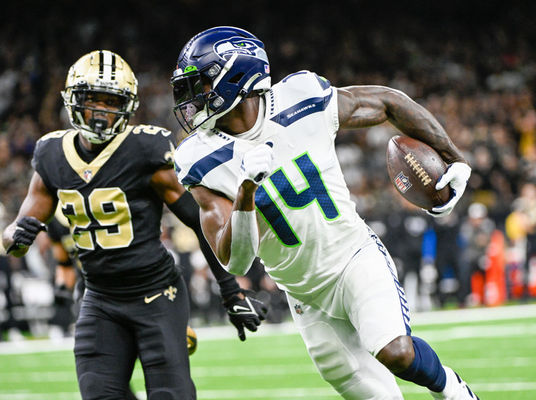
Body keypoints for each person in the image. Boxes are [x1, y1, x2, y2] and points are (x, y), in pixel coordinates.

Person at [170, 27, 477, 399]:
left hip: (353, 257)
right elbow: (234, 259)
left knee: (395, 351)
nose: (190, 98)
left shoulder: (301, 98)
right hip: (303, 294)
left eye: (199, 84)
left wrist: (454, 158)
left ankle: (453, 389)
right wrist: (247, 189)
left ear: (235, 75)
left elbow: (388, 102)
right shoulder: (197, 158)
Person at [3, 50, 267, 400]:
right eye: (91, 100)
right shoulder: (51, 154)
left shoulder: (144, 149)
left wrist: (230, 291)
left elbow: (200, 221)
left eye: (110, 101)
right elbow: (17, 231)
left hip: (156, 294)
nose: (99, 112)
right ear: (71, 101)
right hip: (99, 300)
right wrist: (17, 236)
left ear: (127, 106)